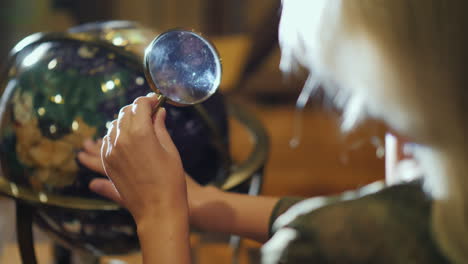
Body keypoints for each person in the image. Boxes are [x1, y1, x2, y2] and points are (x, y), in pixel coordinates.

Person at [78, 0, 468, 263]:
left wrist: (159, 216)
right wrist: (201, 202)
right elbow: (401, 209)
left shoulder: (316, 247)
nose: (388, 146)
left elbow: (359, 226)